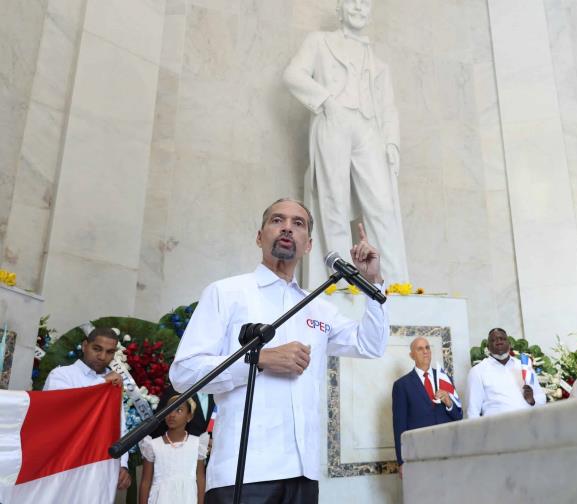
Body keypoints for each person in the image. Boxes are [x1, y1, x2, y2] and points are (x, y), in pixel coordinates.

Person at [170, 198, 389, 504]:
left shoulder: (319, 308)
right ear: (260, 236)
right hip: (244, 473)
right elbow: (183, 374)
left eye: (298, 223)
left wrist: (373, 282)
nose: (287, 227)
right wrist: (259, 360)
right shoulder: (226, 293)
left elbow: (371, 344)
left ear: (308, 245)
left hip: (304, 474)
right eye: (277, 220)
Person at [283, 0, 409, 284]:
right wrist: (326, 101)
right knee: (333, 200)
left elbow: (389, 107)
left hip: (369, 129)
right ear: (340, 9)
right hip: (334, 120)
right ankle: (339, 278)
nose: (359, 8)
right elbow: (293, 74)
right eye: (353, 2)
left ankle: (393, 280)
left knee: (382, 204)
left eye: (365, 4)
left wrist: (391, 142)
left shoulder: (378, 62)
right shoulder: (319, 42)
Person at [44, 327, 131, 499]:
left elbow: (119, 428)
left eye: (109, 352)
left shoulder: (113, 383)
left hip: (100, 468)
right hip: (64, 465)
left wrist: (123, 464)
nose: (102, 356)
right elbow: (61, 413)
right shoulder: (61, 375)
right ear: (85, 346)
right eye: (97, 349)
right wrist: (102, 384)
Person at [391, 337, 462, 477]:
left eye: (427, 347)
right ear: (412, 355)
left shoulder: (444, 378)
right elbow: (399, 426)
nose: (425, 351)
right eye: (420, 348)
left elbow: (458, 416)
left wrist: (449, 403)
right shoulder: (402, 385)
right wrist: (401, 461)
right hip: (419, 452)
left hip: (448, 450)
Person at [138, 395, 208, 504]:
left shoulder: (197, 444)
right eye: (169, 410)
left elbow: (200, 478)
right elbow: (146, 482)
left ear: (189, 416)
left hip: (188, 498)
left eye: (179, 410)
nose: (172, 414)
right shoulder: (153, 445)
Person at [466, 328, 546, 417]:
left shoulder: (524, 366)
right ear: (488, 347)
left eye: (502, 339)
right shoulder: (478, 371)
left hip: (528, 422)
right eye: (493, 340)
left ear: (509, 344)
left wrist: (532, 400)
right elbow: (473, 410)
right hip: (497, 427)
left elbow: (541, 397)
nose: (499, 341)